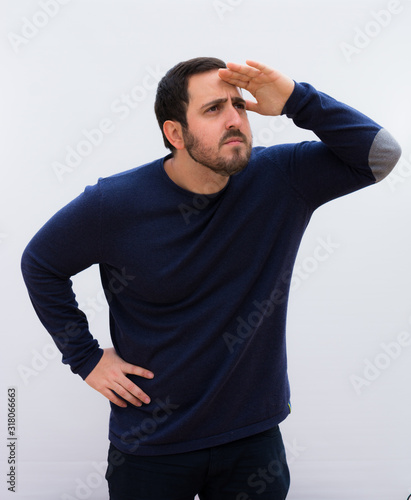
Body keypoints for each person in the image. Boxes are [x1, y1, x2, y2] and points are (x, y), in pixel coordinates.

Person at [21, 57, 401, 500]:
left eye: (239, 105)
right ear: (175, 134)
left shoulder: (281, 178)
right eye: (214, 109)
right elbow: (40, 264)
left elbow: (381, 154)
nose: (235, 119)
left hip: (253, 441)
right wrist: (85, 357)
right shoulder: (114, 204)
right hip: (151, 445)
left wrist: (299, 99)